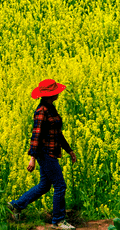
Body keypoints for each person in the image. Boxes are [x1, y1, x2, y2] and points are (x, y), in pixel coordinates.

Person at [8, 79, 78, 229]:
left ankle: (16, 206)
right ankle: (58, 221)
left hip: (51, 151)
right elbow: (36, 136)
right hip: (45, 153)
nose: (58, 93)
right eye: (55, 92)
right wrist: (32, 158)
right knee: (60, 185)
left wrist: (69, 150)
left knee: (45, 185)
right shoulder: (41, 112)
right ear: (49, 95)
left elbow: (57, 133)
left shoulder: (51, 108)